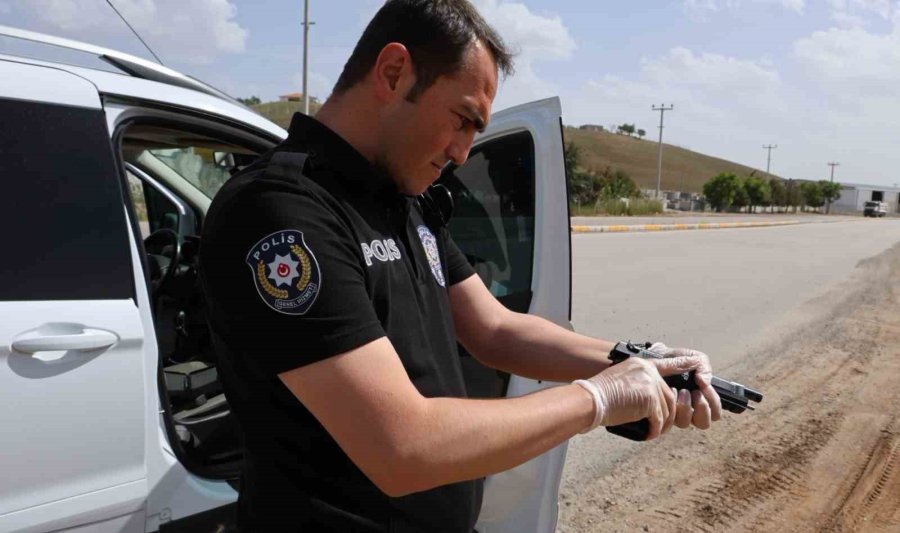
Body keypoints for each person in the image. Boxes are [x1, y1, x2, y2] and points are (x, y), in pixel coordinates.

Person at [199, 1, 722, 532]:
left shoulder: (400, 197)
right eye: (463, 120)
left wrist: (634, 361)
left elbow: (494, 329)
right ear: (394, 72)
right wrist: (600, 398)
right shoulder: (283, 211)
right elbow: (402, 446)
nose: (464, 152)